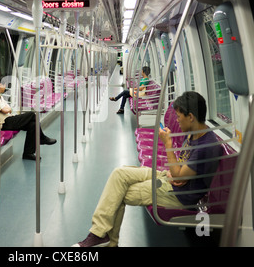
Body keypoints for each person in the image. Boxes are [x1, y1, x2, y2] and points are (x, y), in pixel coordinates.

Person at [73, 91, 223, 247]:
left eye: (179, 117)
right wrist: (175, 174)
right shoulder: (194, 132)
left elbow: (180, 177)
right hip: (170, 178)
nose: (177, 121)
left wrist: (168, 145)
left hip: (179, 196)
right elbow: (181, 167)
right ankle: (101, 236)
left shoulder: (206, 147)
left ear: (191, 117)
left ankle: (105, 238)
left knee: (119, 193)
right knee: (120, 174)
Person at [0, 74, 57, 161]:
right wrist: (8, 109)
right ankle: (42, 138)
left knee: (33, 125)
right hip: (4, 123)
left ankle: (28, 153)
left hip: (9, 120)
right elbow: (5, 110)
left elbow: (8, 109)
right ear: (0, 84)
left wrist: (8, 109)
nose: (5, 87)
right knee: (31, 115)